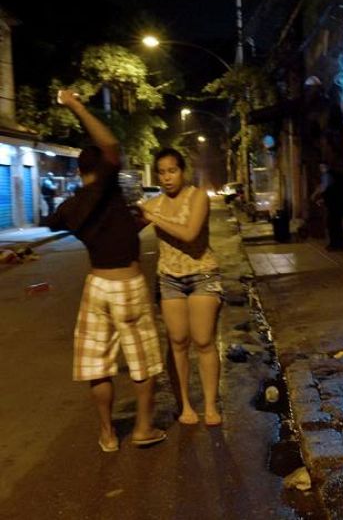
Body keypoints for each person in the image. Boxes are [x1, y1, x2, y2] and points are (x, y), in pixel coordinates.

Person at [45, 89, 165, 452]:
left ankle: (108, 433)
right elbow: (111, 145)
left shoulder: (70, 208)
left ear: (79, 171)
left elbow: (86, 229)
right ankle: (143, 429)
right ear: (102, 171)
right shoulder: (107, 191)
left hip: (97, 286)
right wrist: (77, 105)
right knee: (142, 361)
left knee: (98, 364)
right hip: (127, 285)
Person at [141, 148, 223, 427]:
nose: (166, 177)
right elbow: (124, 230)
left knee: (203, 341)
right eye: (161, 172)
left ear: (182, 171)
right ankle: (185, 405)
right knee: (177, 342)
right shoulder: (152, 204)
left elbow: (190, 233)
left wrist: (153, 216)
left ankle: (210, 405)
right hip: (169, 278)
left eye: (172, 170)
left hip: (202, 274)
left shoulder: (197, 197)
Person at [311, 162, 343, 250]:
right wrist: (323, 199)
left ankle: (335, 244)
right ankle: (337, 244)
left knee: (333, 224)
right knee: (336, 224)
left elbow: (324, 187)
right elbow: (331, 190)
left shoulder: (327, 175)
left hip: (334, 205)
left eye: (322, 167)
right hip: (338, 203)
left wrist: (315, 194)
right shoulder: (335, 175)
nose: (321, 169)